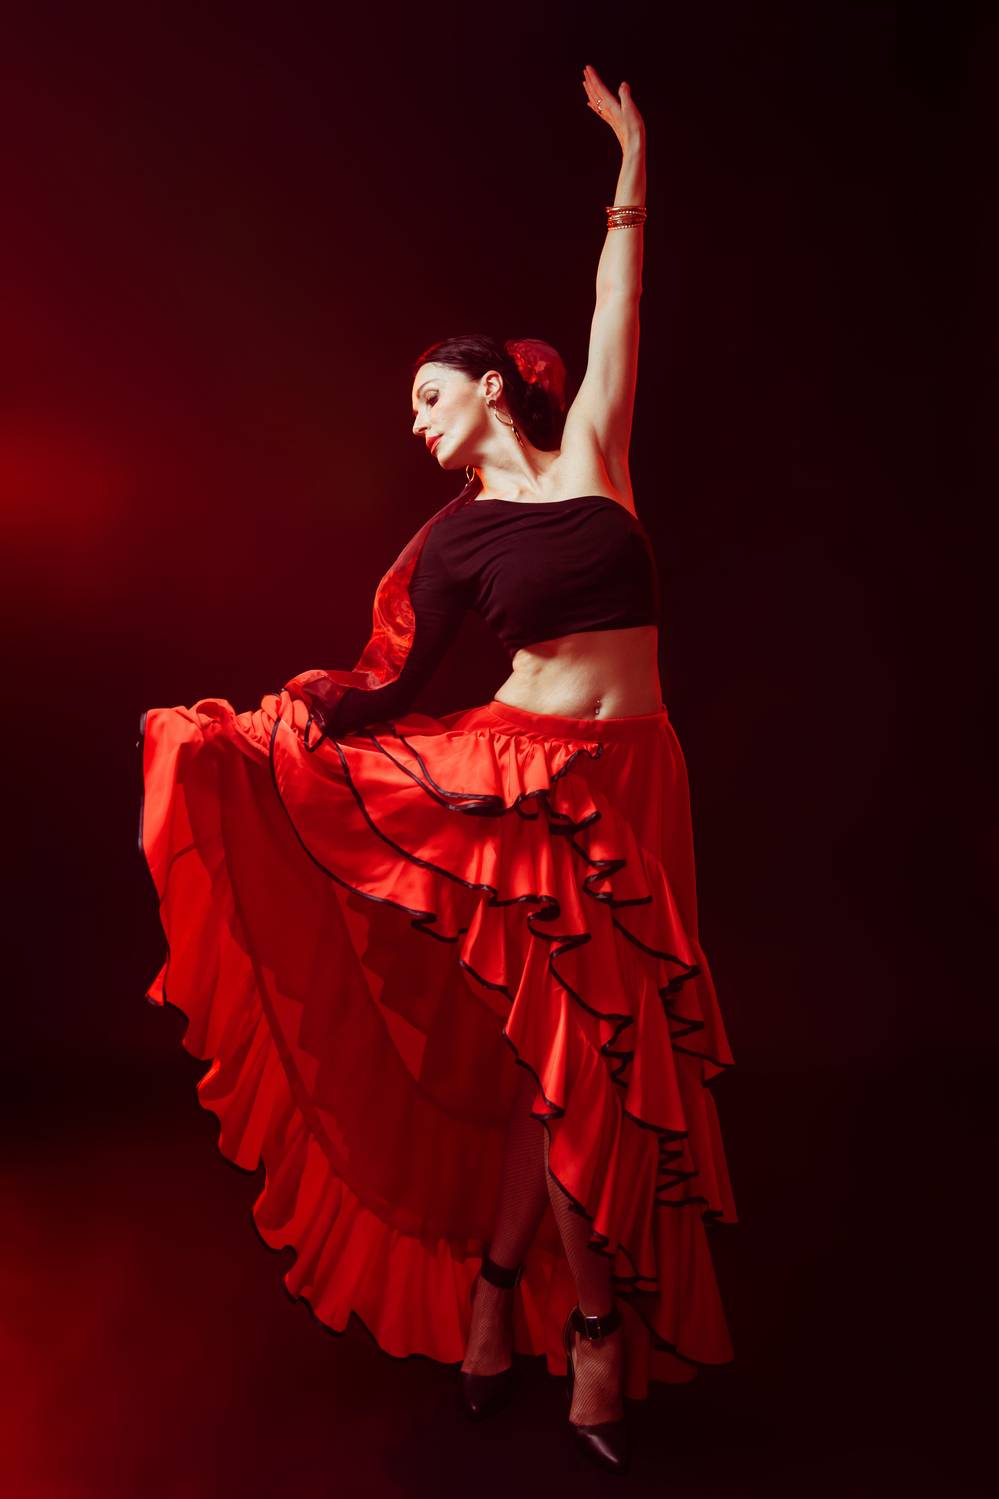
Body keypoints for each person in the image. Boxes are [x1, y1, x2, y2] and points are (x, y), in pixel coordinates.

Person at [138, 66, 736, 1478]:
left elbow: (621, 301)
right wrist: (274, 731)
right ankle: (592, 1329)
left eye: (429, 394)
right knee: (576, 1065)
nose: (414, 418)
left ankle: (493, 1286)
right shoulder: (457, 543)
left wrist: (633, 158)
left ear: (489, 387)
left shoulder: (595, 455)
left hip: (636, 782)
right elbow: (399, 685)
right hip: (528, 791)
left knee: (565, 1069)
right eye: (410, 406)